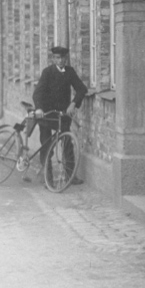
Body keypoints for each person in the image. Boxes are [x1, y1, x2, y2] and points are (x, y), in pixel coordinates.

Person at [31, 45, 88, 184]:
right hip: (47, 114)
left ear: (66, 58)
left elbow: (82, 89)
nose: (60, 60)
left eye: (63, 58)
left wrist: (74, 103)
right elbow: (37, 93)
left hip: (62, 115)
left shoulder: (69, 72)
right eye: (57, 58)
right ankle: (47, 178)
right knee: (46, 145)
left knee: (67, 143)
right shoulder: (47, 72)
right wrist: (39, 108)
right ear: (53, 59)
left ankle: (70, 176)